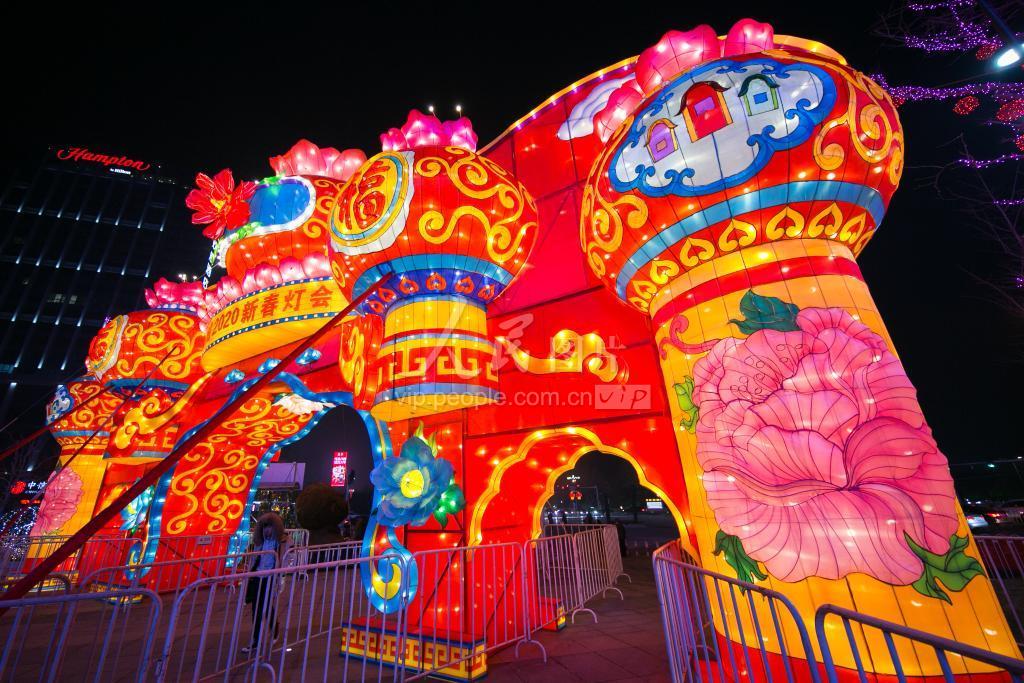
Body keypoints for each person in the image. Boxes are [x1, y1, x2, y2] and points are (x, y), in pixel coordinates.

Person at [244, 512, 290, 654]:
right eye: (264, 526)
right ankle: (256, 639)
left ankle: (272, 629)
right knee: (256, 608)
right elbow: (255, 559)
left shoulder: (282, 541)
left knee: (266, 605)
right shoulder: (260, 541)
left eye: (269, 526)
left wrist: (281, 576)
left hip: (271, 576)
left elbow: (287, 558)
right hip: (258, 575)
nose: (267, 529)